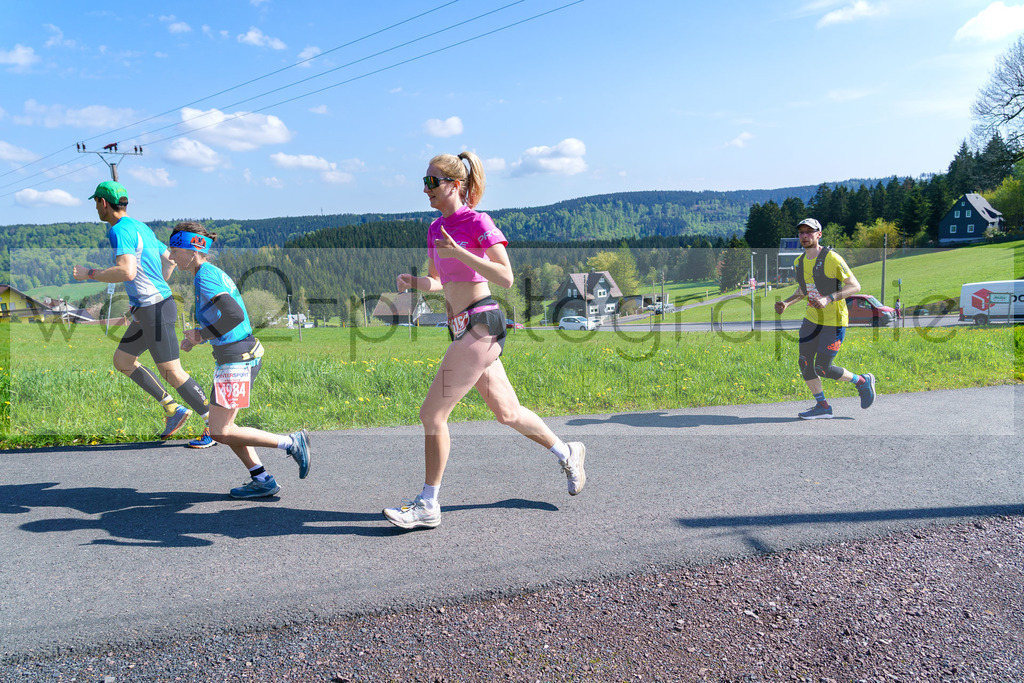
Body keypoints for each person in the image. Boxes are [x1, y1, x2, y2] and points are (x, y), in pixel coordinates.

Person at [383, 152, 587, 530]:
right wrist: (415, 283)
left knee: (432, 414)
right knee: (508, 413)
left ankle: (428, 504)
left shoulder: (477, 221)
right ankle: (567, 451)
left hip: (483, 322)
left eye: (432, 182)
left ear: (454, 185)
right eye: (423, 181)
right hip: (461, 327)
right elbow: (441, 281)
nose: (425, 189)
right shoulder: (433, 229)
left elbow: (505, 277)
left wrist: (461, 251)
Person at [168, 221, 311, 499]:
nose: (171, 256)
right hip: (236, 355)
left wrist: (201, 334)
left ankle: (292, 442)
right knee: (228, 427)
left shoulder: (205, 276)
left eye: (174, 249)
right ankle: (262, 479)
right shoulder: (208, 273)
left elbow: (233, 315)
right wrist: (201, 336)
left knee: (220, 431)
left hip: (237, 358)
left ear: (192, 249)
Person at [73, 181, 211, 443]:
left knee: (172, 372)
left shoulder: (119, 230)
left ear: (103, 203)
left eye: (96, 203)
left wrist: (88, 274)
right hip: (149, 308)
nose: (96, 208)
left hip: (155, 309)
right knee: (123, 361)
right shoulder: (140, 226)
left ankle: (213, 423)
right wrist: (150, 289)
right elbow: (169, 258)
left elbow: (127, 271)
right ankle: (173, 409)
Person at [774, 218, 876, 419]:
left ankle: (862, 381)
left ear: (818, 235)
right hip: (811, 320)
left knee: (823, 367)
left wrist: (829, 298)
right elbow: (804, 289)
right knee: (804, 363)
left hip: (834, 321)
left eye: (809, 232)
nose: (804, 235)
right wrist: (787, 303)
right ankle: (822, 406)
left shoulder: (832, 259)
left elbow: (855, 286)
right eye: (801, 232)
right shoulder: (799, 262)